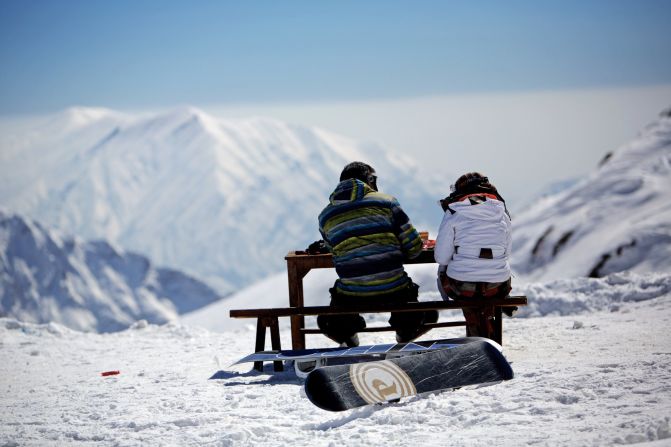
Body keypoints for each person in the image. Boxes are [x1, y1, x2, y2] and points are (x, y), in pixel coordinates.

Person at [317, 161, 438, 347]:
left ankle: (348, 337)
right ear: (370, 181)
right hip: (394, 290)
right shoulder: (387, 202)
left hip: (352, 296)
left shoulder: (325, 216)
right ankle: (405, 333)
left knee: (325, 319)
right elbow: (414, 249)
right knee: (429, 312)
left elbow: (334, 251)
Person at [434, 172, 512, 339]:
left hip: (462, 287)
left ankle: (476, 331)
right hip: (497, 285)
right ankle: (487, 329)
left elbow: (441, 257)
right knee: (488, 280)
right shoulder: (501, 211)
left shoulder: (454, 211)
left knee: (450, 273)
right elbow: (507, 251)